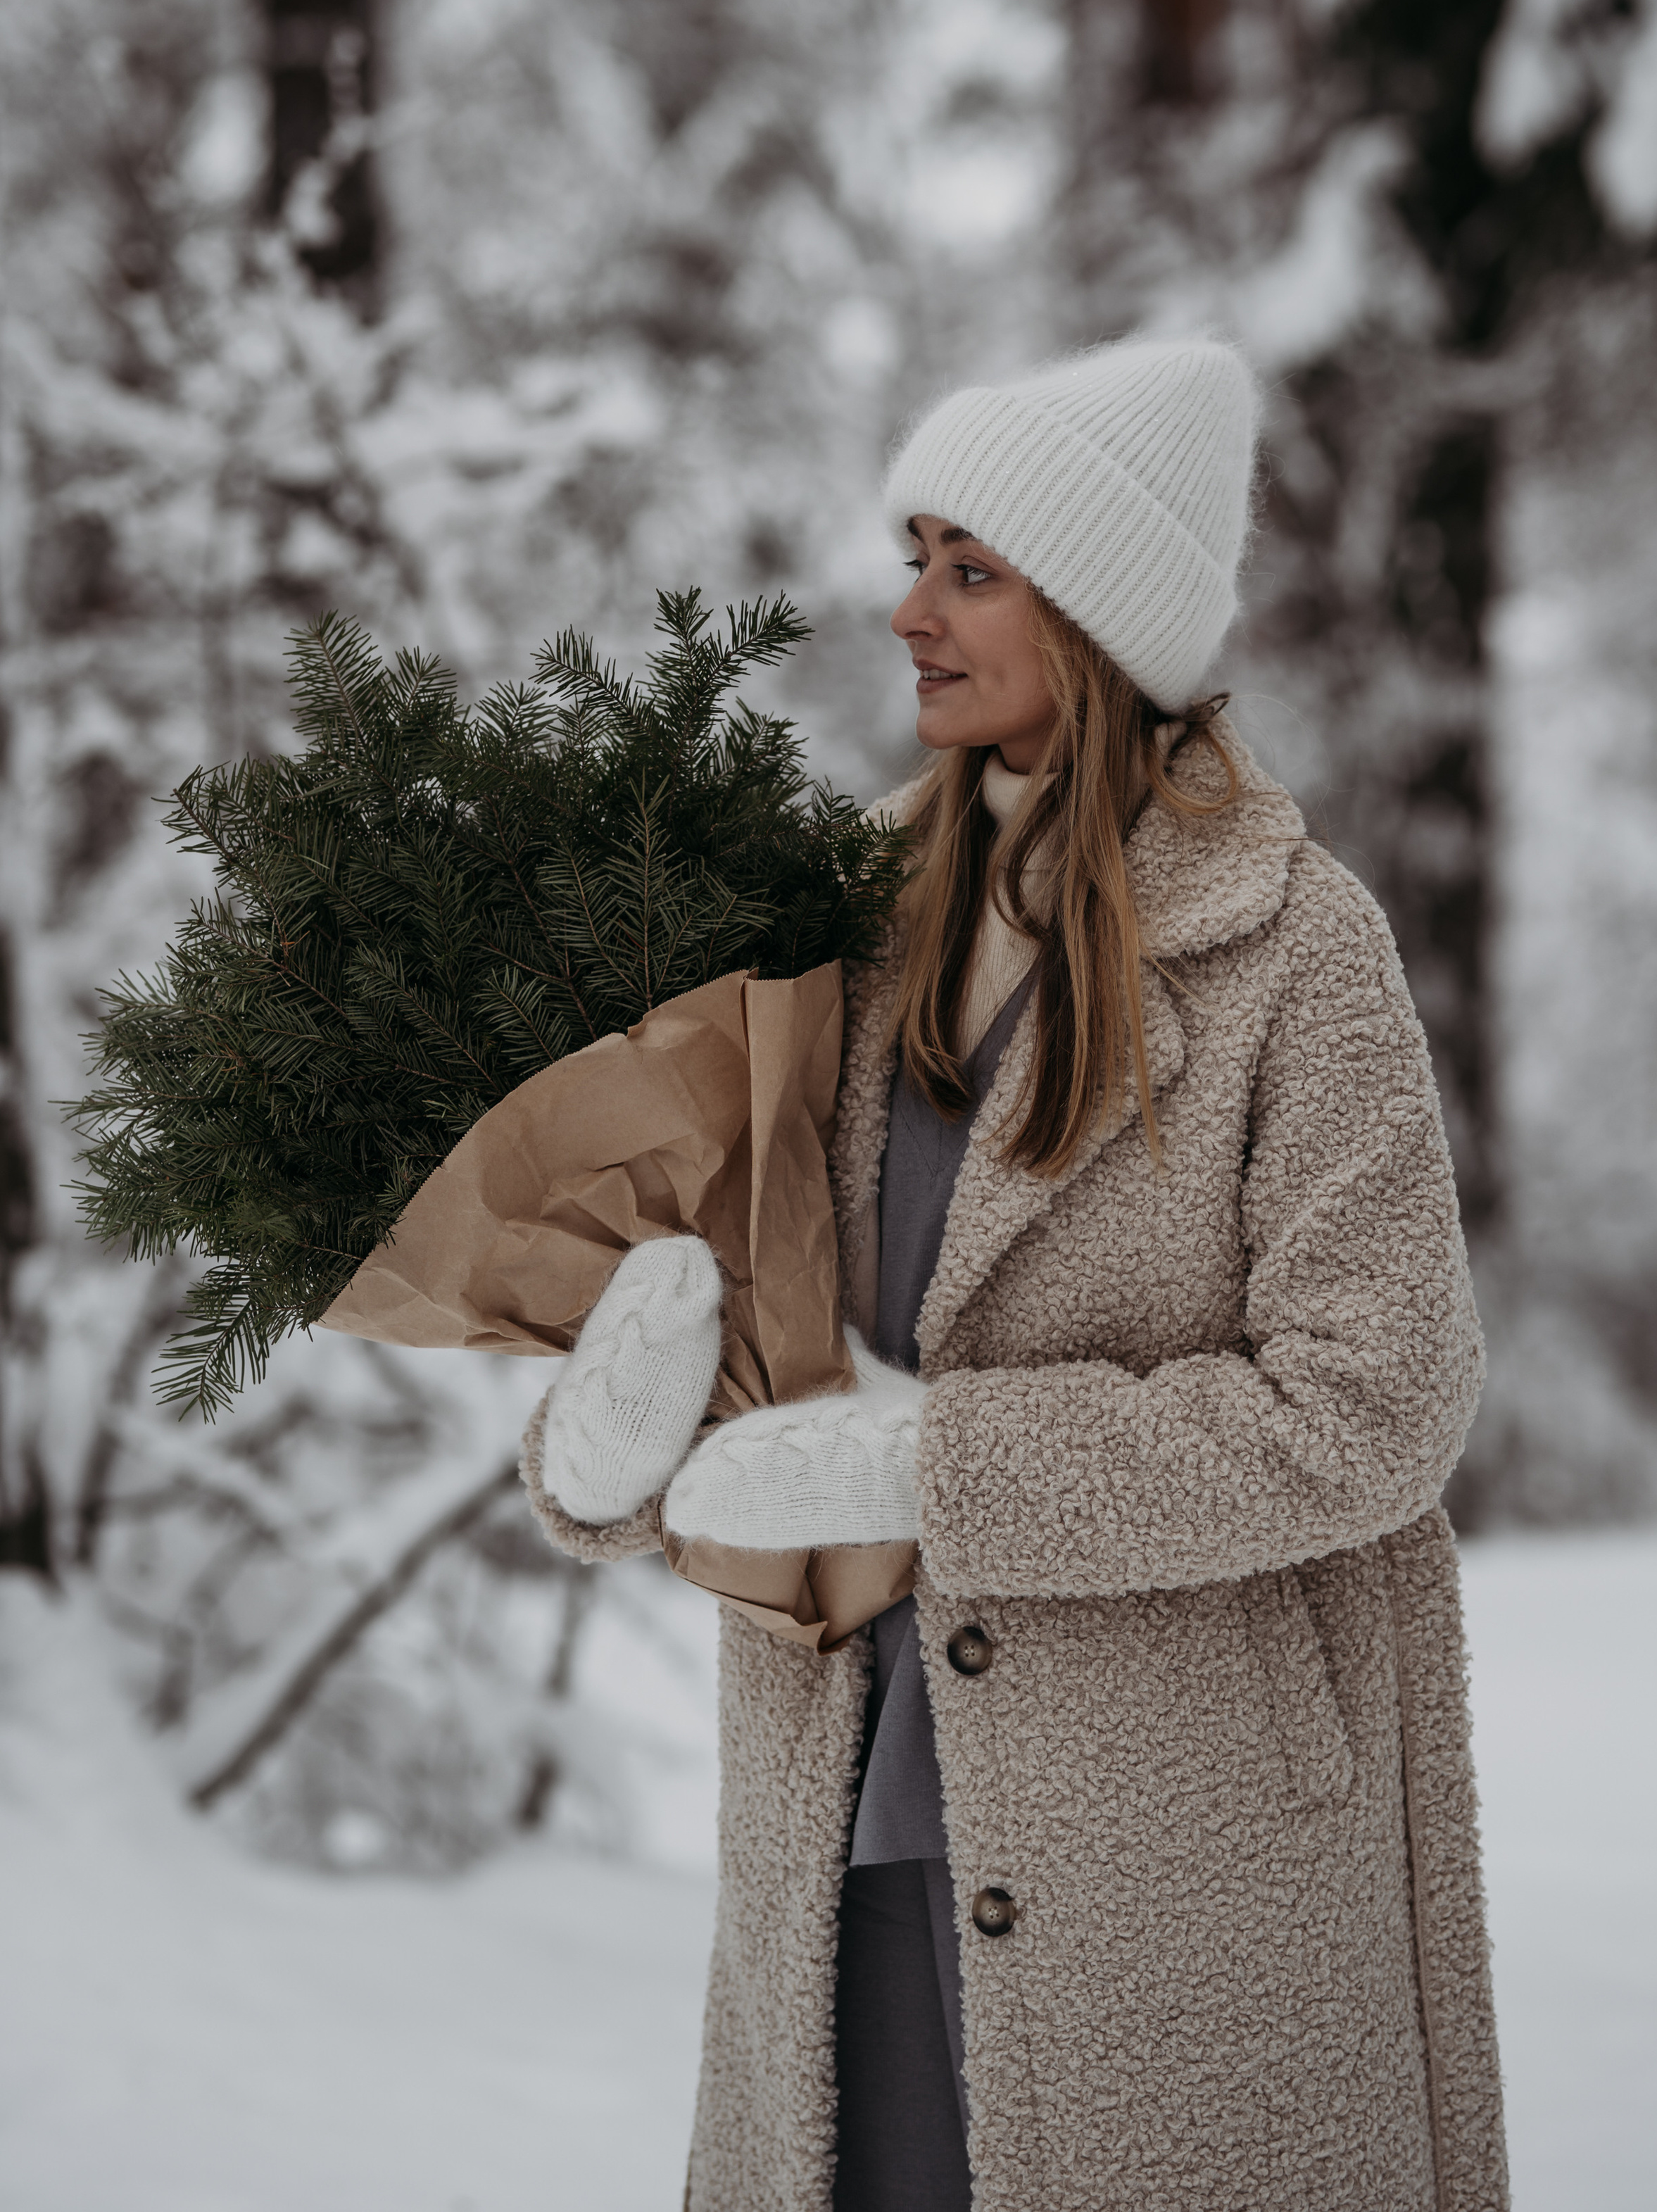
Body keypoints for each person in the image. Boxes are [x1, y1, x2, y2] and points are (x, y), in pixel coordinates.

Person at [523, 338, 1509, 2212]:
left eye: (971, 570)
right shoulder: (837, 931)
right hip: (848, 1840)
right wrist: (614, 1442)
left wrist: (941, 1469)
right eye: (918, 555)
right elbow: (762, 1371)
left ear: (1101, 617)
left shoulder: (1297, 947)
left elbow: (1376, 1403)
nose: (906, 611)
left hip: (1186, 1867)